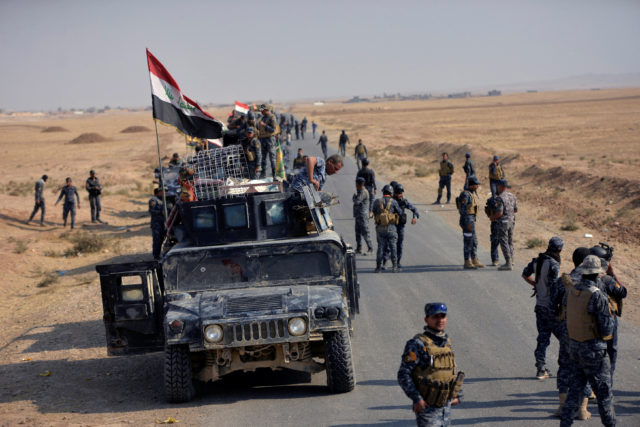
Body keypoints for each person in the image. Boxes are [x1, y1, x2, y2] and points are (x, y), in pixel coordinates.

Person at [560, 255, 616, 427]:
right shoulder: (597, 295)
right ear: (598, 274)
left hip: (575, 348)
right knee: (605, 397)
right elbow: (607, 328)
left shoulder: (571, 291)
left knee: (574, 393)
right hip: (594, 351)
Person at [397, 302, 463, 427]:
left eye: (442, 316)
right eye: (435, 317)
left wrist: (458, 394)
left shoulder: (446, 343)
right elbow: (403, 374)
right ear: (427, 319)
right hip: (427, 409)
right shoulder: (417, 344)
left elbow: (450, 371)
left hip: (445, 409)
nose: (440, 320)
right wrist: (417, 399)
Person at [552, 247, 593, 419]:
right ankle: (582, 410)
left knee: (564, 367)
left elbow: (552, 304)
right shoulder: (593, 283)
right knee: (586, 369)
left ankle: (562, 406)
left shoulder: (564, 280)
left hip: (567, 331)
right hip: (586, 333)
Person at [521, 236, 564, 379]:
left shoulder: (537, 260)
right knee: (565, 338)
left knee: (543, 337)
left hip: (539, 306)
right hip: (551, 308)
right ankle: (565, 370)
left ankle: (541, 368)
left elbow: (525, 274)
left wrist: (537, 286)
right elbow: (553, 287)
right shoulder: (554, 264)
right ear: (560, 249)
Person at [588, 245, 627, 384]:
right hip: (607, 322)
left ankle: (591, 387)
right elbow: (623, 292)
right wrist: (613, 274)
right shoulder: (607, 280)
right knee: (611, 352)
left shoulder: (581, 277)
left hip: (587, 321)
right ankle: (606, 384)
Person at [372, 185, 402, 273]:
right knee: (393, 247)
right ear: (391, 193)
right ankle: (395, 267)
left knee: (380, 247)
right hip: (391, 227)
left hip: (380, 227)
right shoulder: (394, 202)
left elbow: (374, 212)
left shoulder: (377, 201)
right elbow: (400, 212)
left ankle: (378, 268)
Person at [490, 179, 517, 270]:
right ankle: (512, 260)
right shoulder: (512, 196)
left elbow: (499, 213)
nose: (497, 188)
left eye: (498, 186)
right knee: (510, 241)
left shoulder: (500, 198)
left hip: (503, 223)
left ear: (501, 187)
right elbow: (516, 210)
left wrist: (492, 217)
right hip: (511, 221)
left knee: (504, 241)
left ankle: (508, 262)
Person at [457, 177, 484, 269]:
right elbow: (463, 210)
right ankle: (467, 261)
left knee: (474, 241)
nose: (477, 186)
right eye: (476, 185)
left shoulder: (471, 194)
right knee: (468, 241)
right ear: (472, 185)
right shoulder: (466, 194)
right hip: (467, 220)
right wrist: (467, 223)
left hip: (471, 220)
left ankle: (474, 259)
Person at [392, 184, 419, 269]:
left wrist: (414, 217)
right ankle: (385, 261)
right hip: (391, 225)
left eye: (400, 193)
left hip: (400, 225)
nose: (399, 195)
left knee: (399, 244)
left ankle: (398, 262)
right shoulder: (390, 201)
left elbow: (414, 209)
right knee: (389, 244)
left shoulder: (404, 201)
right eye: (397, 193)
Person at [353, 177, 373, 255]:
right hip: (358, 215)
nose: (356, 185)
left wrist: (354, 197)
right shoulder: (359, 191)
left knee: (365, 232)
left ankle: (370, 248)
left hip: (363, 216)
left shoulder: (363, 192)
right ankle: (359, 248)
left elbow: (357, 201)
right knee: (357, 232)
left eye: (357, 184)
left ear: (360, 184)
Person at [258, 104, 278, 179]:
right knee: (263, 158)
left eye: (262, 110)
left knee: (272, 158)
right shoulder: (263, 118)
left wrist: (264, 125)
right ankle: (263, 175)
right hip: (262, 139)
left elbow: (273, 129)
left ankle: (274, 175)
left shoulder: (272, 117)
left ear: (266, 110)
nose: (261, 112)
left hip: (270, 139)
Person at [485, 193, 503, 266]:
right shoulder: (494, 200)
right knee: (496, 241)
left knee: (496, 241)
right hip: (499, 223)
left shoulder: (497, 199)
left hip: (499, 222)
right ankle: (496, 259)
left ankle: (497, 259)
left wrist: (492, 217)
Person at [149, 188, 166, 260]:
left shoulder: (164, 200)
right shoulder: (154, 200)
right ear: (159, 191)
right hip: (157, 223)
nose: (165, 193)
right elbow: (151, 211)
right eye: (163, 191)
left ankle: (160, 254)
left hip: (163, 223)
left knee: (162, 239)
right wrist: (160, 212)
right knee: (157, 239)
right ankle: (156, 256)